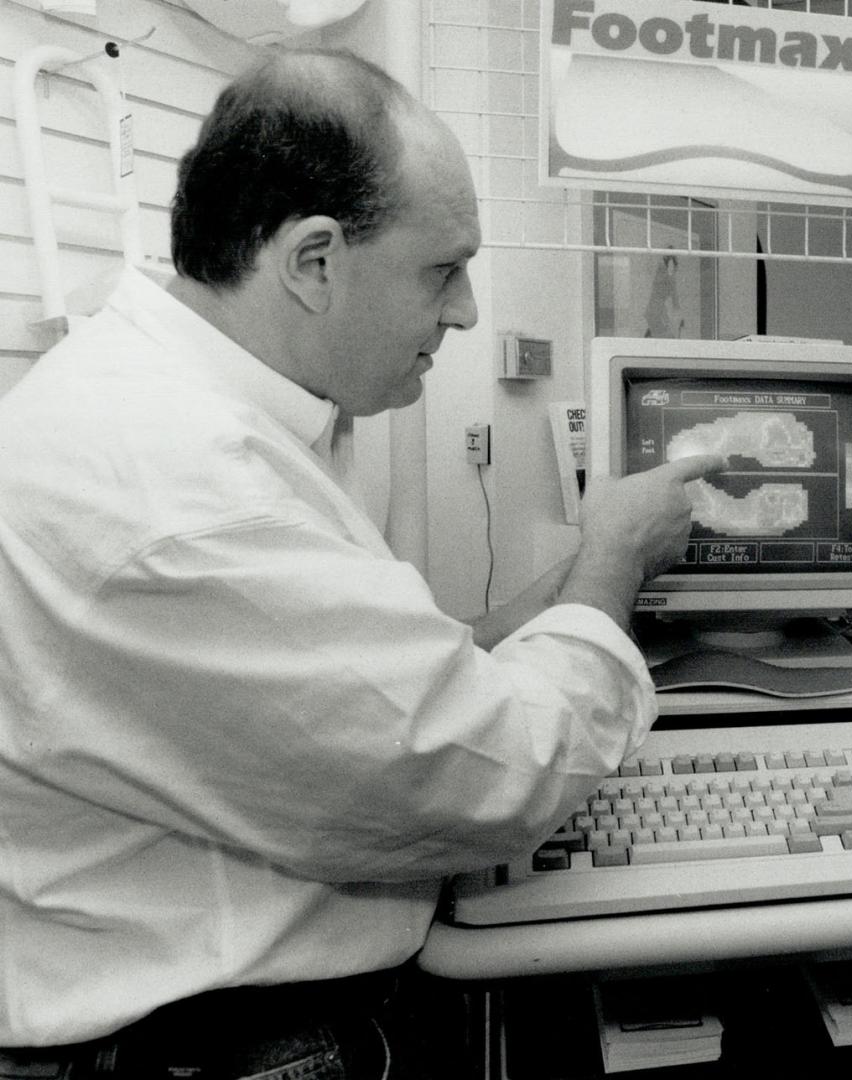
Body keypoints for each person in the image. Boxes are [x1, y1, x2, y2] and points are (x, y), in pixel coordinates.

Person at [0, 48, 723, 1075]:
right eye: (442, 268)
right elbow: (493, 779)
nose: (467, 309)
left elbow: (386, 679)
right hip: (211, 1048)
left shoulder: (213, 414)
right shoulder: (186, 490)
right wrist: (609, 557)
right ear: (313, 261)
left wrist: (565, 590)